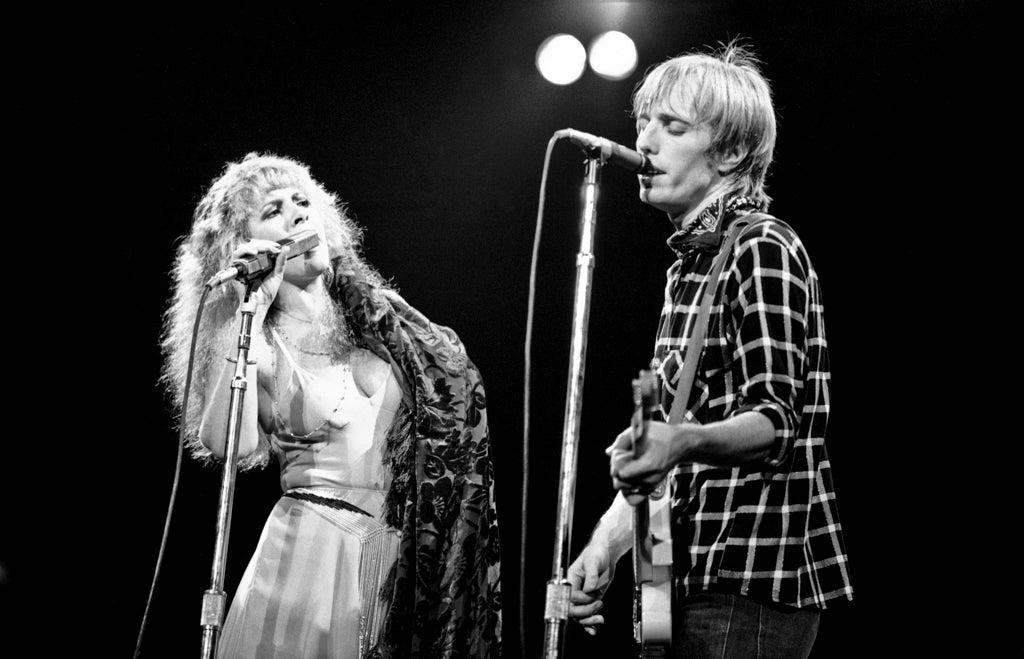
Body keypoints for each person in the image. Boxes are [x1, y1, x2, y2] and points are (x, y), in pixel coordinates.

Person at [566, 41, 853, 657]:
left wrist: (687, 441)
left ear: (728, 152)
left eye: (672, 127)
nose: (644, 143)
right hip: (684, 571)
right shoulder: (688, 268)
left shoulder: (763, 246)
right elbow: (667, 434)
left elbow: (776, 422)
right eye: (644, 124)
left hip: (748, 574)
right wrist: (606, 542)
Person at [160, 152, 502, 658]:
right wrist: (248, 314)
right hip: (308, 568)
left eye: (303, 201)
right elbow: (228, 445)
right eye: (273, 211)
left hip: (399, 563)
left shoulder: (379, 322)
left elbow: (454, 392)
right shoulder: (259, 341)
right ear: (244, 246)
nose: (297, 214)